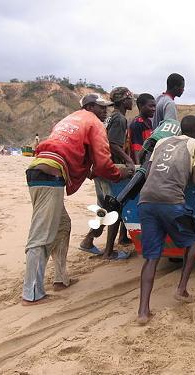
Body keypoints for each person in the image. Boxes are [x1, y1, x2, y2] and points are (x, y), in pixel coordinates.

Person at [22, 93, 129, 305]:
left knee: (63, 226)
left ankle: (61, 279)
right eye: (101, 107)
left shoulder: (69, 119)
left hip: (40, 171)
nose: (105, 110)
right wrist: (120, 174)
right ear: (90, 107)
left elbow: (73, 153)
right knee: (41, 235)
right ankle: (31, 293)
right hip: (50, 176)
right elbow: (103, 163)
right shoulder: (93, 123)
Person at [137, 116, 195, 324]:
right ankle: (181, 289)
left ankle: (143, 312)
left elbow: (149, 171)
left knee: (151, 257)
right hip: (171, 201)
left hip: (145, 201)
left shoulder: (163, 142)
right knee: (193, 242)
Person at [79, 87, 136, 259]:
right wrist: (129, 160)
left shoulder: (111, 117)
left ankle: (88, 241)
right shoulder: (119, 119)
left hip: (100, 167)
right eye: (130, 98)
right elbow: (113, 144)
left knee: (105, 207)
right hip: (109, 168)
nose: (132, 101)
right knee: (114, 208)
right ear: (123, 101)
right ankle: (108, 252)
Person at [129, 93, 156, 164]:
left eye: (154, 106)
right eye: (151, 106)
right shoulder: (137, 124)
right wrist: (138, 169)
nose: (154, 109)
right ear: (141, 106)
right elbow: (136, 149)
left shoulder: (148, 122)